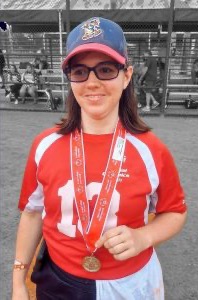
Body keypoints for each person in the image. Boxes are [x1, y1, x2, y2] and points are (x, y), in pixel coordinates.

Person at [12, 17, 187, 300]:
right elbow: (32, 213)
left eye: (105, 70)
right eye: (80, 72)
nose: (92, 82)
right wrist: (18, 280)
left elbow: (175, 211)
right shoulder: (45, 145)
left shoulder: (150, 149)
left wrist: (144, 237)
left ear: (126, 75)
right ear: (69, 77)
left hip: (130, 283)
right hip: (58, 282)